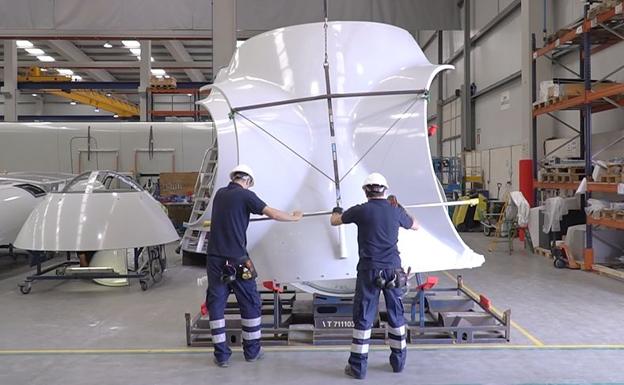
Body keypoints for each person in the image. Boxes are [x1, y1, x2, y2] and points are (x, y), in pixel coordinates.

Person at [206, 164, 303, 368]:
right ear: (248, 181)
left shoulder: (220, 195)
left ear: (233, 177)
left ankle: (221, 355)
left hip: (214, 259)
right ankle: (252, 351)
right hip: (237, 260)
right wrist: (294, 217)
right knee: (250, 303)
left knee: (216, 306)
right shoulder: (246, 196)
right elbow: (273, 214)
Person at [330, 172, 419, 380]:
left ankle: (358, 368)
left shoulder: (360, 211)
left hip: (369, 270)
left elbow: (335, 221)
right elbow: (416, 225)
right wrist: (401, 207)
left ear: (365, 191)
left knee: (363, 317)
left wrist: (337, 210)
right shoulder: (395, 210)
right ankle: (398, 363)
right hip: (393, 271)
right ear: (385, 190)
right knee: (396, 316)